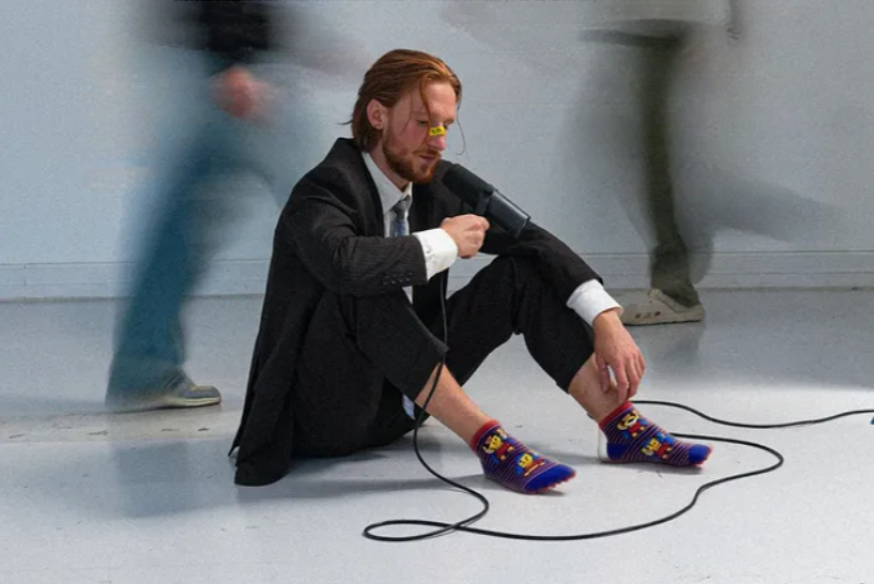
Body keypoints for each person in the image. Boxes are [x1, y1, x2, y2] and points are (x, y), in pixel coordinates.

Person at [230, 49, 712, 492]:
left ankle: (622, 428)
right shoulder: (324, 189)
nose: (437, 141)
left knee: (521, 272)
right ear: (377, 115)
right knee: (364, 281)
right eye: (423, 123)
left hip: (401, 408)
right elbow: (345, 265)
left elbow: (532, 239)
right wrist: (444, 242)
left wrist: (605, 318)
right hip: (324, 418)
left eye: (444, 126)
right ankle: (490, 443)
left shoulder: (438, 183)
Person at [106, 1, 283, 412]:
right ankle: (144, 367)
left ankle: (144, 367)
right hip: (234, 67)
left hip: (240, 63)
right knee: (321, 207)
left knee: (186, 222)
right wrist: (234, 56)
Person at [578, 0, 742, 325]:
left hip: (667, 27)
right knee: (640, 158)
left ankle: (676, 291)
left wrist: (726, 20)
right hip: (650, 27)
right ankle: (677, 277)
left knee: (653, 163)